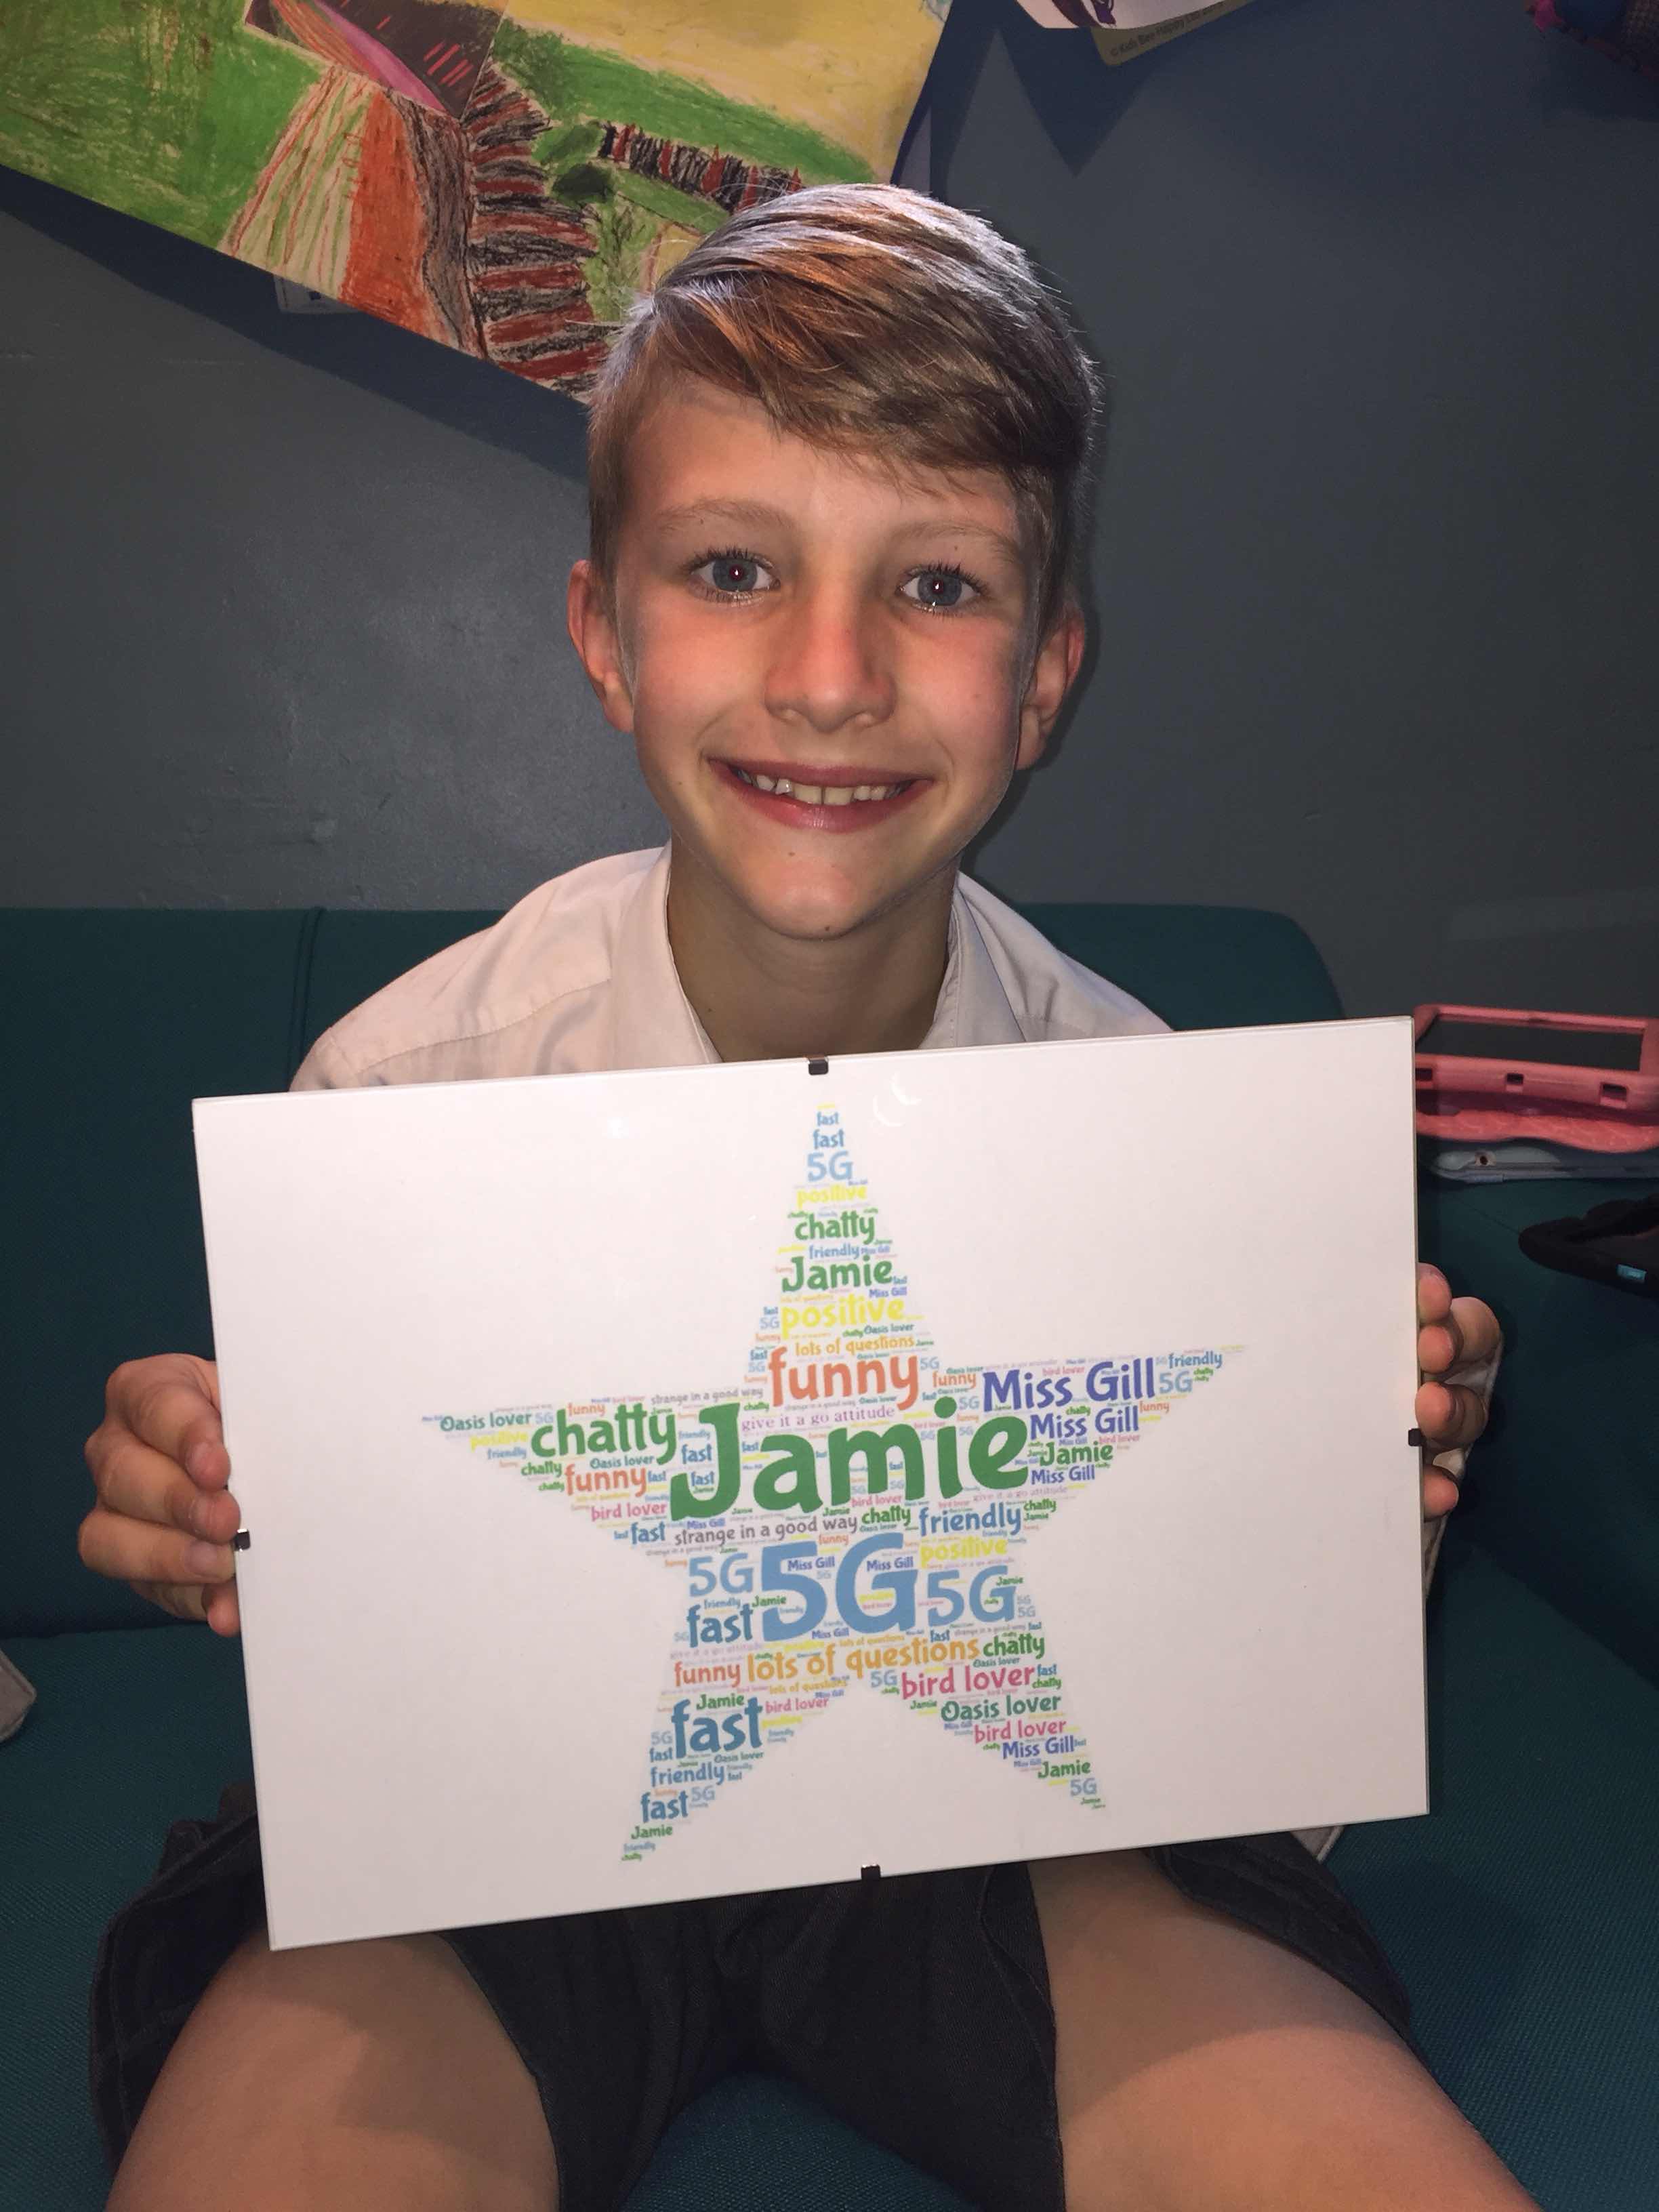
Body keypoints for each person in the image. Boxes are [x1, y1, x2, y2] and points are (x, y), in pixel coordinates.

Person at [79, 184, 1530, 2212]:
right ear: (606, 636)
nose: (831, 675)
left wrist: (1354, 1493)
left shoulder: (1151, 1134)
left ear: (1045, 678)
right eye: (736, 567)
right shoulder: (407, 1093)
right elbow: (385, 1686)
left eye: (935, 583)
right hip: (511, 1827)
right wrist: (232, 1506)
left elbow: (1230, 1731)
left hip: (1019, 1831)